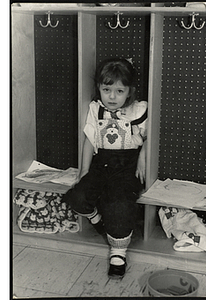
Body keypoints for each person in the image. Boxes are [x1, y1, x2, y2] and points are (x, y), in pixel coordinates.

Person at [64, 57, 148, 279]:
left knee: (119, 202)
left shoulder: (139, 110)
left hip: (128, 166)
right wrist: (84, 171)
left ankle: (118, 253)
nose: (112, 97)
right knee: (78, 195)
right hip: (102, 163)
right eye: (107, 89)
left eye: (119, 91)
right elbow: (89, 139)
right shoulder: (95, 109)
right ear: (99, 89)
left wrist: (142, 159)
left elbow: (151, 138)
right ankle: (96, 219)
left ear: (129, 91)